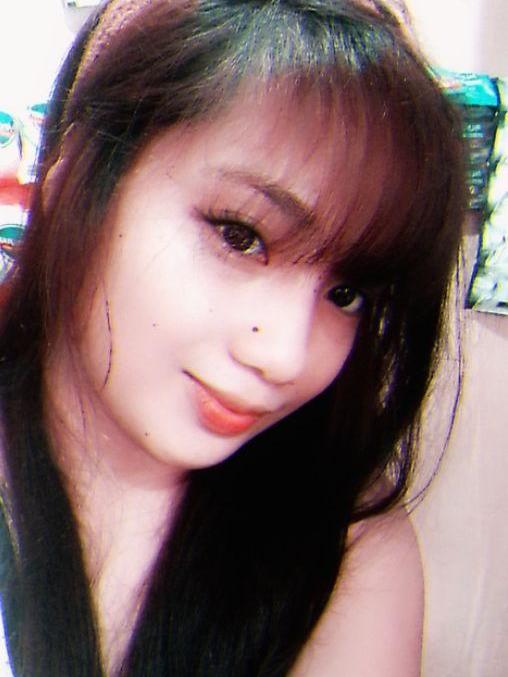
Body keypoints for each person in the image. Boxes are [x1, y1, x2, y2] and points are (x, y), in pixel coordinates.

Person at [0, 0, 465, 675]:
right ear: (76, 180)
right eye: (240, 235)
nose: (285, 356)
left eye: (348, 294)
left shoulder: (346, 551)